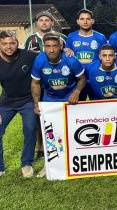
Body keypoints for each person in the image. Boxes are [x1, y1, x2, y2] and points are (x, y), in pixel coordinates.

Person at [0, 30, 38, 184]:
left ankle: (26, 164)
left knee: (30, 128)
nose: (9, 46)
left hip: (28, 100)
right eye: (4, 43)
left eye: (12, 43)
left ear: (17, 43)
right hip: (7, 102)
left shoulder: (29, 56)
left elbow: (49, 53)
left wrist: (65, 49)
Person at [31, 32, 86, 177]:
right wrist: (37, 104)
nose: (51, 50)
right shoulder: (39, 60)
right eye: (48, 46)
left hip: (70, 99)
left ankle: (75, 161)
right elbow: (35, 83)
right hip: (50, 99)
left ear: (61, 46)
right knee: (51, 133)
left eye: (54, 46)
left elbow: (82, 78)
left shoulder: (71, 60)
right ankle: (49, 164)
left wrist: (77, 91)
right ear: (44, 47)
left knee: (73, 130)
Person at [25, 10, 67, 159]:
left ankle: (64, 143)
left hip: (59, 83)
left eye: (47, 20)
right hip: (39, 83)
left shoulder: (62, 38)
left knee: (63, 115)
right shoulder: (31, 39)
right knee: (39, 116)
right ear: (37, 23)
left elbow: (68, 55)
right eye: (41, 20)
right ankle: (41, 146)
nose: (44, 22)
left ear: (52, 22)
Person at [66, 9, 108, 100]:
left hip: (96, 77)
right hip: (77, 78)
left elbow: (106, 57)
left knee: (99, 105)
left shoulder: (101, 37)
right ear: (78, 21)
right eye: (82, 19)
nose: (85, 21)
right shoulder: (71, 37)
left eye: (88, 19)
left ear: (92, 21)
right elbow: (67, 56)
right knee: (77, 105)